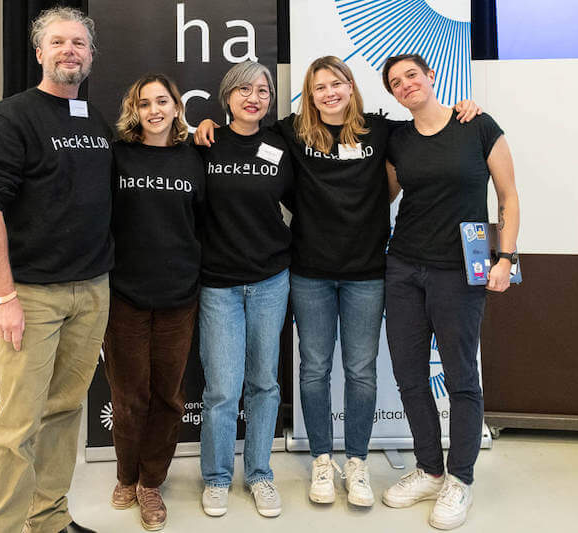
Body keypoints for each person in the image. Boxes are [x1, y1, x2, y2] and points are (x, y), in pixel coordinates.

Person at [195, 55, 481, 509]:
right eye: (318, 86)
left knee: (361, 372)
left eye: (337, 83)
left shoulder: (380, 130)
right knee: (313, 370)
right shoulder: (289, 133)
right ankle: (324, 461)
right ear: (308, 95)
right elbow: (240, 135)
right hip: (309, 272)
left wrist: (465, 111)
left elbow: (427, 130)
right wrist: (208, 123)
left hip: (367, 273)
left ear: (351, 86)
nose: (329, 92)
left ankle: (358, 463)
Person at [0, 7, 112, 533]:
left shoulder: (96, 122)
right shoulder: (11, 117)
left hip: (92, 290)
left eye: (78, 42)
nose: (69, 50)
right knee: (16, 426)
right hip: (31, 296)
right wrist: (2, 296)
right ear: (39, 53)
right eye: (58, 42)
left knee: (64, 412)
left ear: (91, 54)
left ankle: (49, 517)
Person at [380, 53, 520, 530]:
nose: (405, 86)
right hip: (402, 269)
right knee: (409, 375)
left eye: (411, 76)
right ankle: (429, 468)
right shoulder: (398, 140)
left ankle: (460, 478)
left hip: (461, 271)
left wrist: (506, 258)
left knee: (461, 378)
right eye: (396, 83)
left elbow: (509, 197)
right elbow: (382, 197)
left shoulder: (477, 125)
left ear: (431, 76)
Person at [103, 74, 204, 531]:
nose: (154, 110)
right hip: (124, 296)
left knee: (168, 396)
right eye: (145, 104)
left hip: (179, 298)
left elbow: (204, 223)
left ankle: (150, 484)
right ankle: (126, 474)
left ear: (177, 106)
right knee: (128, 398)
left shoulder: (195, 158)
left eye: (162, 101)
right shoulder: (118, 156)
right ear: (135, 111)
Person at [196, 60, 293, 519]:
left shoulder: (281, 144)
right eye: (245, 90)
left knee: (264, 383)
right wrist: (202, 127)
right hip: (219, 285)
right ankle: (216, 477)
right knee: (221, 389)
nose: (254, 98)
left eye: (263, 91)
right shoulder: (206, 143)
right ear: (227, 95)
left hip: (271, 280)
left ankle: (259, 474)